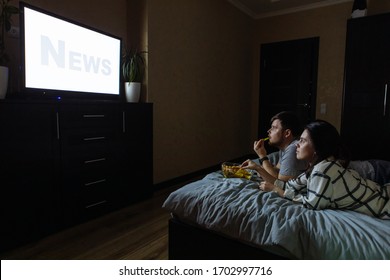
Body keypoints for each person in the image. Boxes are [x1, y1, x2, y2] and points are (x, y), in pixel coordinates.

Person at [244, 120, 390, 220]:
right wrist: (258, 168)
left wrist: (276, 190)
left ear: (317, 148)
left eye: (303, 141)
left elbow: (310, 204)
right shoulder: (316, 167)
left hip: (383, 199)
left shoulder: (323, 170)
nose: (297, 145)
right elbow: (288, 184)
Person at [249, 111, 308, 182]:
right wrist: (263, 169)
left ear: (287, 133)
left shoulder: (293, 148)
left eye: (274, 128)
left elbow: (279, 182)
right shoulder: (284, 148)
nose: (269, 131)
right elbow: (276, 171)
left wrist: (262, 156)